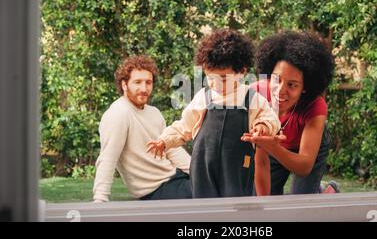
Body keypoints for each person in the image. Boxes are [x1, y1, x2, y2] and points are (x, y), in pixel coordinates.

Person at [147, 29, 281, 198]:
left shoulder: (251, 98)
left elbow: (271, 119)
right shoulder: (203, 97)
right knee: (204, 206)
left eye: (223, 78)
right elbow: (184, 126)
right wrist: (164, 141)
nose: (216, 84)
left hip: (238, 167)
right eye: (210, 77)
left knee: (236, 205)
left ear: (242, 71)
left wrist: (263, 126)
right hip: (203, 167)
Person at [242, 31, 338, 195]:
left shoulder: (315, 107)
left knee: (302, 204)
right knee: (264, 195)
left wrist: (272, 146)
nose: (280, 91)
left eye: (292, 85)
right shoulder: (255, 95)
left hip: (305, 150)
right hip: (273, 147)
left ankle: (327, 190)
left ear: (305, 87)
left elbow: (304, 167)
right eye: (276, 79)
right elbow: (260, 161)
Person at [93, 55, 192, 202]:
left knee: (219, 185)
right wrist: (99, 200)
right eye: (137, 82)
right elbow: (108, 158)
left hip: (176, 180)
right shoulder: (118, 114)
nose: (144, 88)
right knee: (215, 195)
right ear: (124, 85)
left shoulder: (154, 113)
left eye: (148, 82)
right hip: (156, 190)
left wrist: (196, 172)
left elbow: (171, 150)